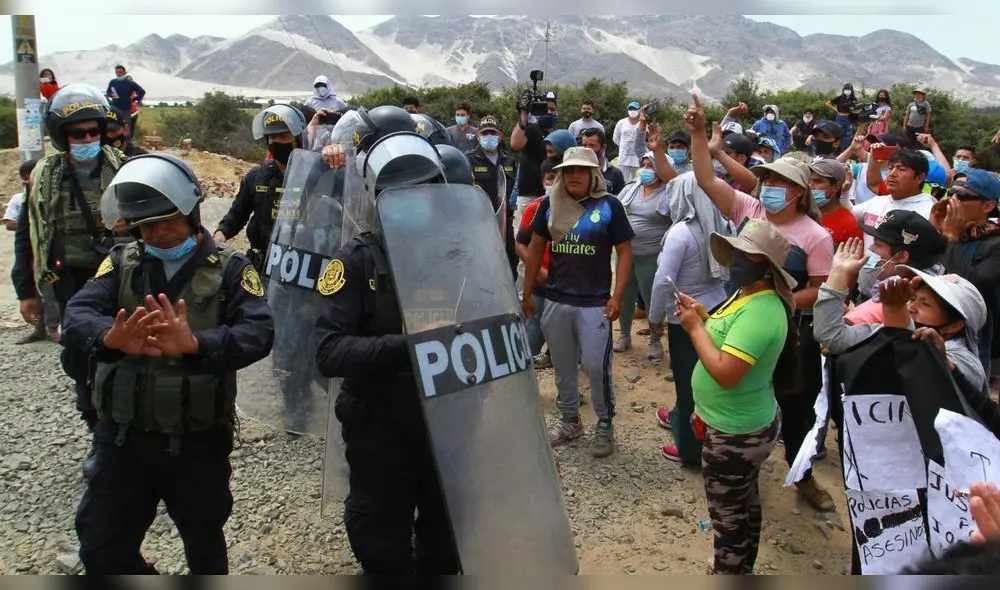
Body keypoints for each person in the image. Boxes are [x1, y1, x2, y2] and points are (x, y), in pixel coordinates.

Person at [62, 153, 274, 574]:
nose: (158, 233)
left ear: (192, 214)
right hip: (123, 440)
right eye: (146, 225)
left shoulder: (230, 268)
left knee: (204, 545)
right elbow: (77, 313)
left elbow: (259, 332)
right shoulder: (123, 262)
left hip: (196, 442)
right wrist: (109, 337)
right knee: (101, 548)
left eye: (168, 221)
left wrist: (197, 344)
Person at [314, 107, 463, 575]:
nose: (412, 202)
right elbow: (329, 351)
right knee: (379, 541)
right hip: (380, 423)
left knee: (449, 542)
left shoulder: (460, 255)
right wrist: (406, 346)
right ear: (377, 199)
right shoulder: (353, 261)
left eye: (423, 192)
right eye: (399, 195)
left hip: (450, 422)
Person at [686, 93, 836, 511]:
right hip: (743, 315)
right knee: (746, 391)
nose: (770, 188)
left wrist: (776, 297)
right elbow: (705, 178)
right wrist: (700, 134)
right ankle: (742, 459)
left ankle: (802, 474)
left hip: (793, 330)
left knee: (796, 402)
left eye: (782, 183)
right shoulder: (750, 207)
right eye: (767, 180)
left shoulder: (815, 236)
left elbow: (822, 289)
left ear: (800, 192)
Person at [15, 84, 131, 480]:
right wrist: (27, 292)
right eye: (77, 134)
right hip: (70, 282)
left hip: (120, 276)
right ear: (61, 136)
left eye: (92, 132)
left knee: (127, 357)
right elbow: (27, 238)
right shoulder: (44, 177)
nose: (86, 140)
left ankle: (129, 438)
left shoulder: (126, 169)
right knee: (81, 361)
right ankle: (99, 436)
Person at [680, 219, 797, 575]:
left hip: (735, 433)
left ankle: (730, 571)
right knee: (743, 501)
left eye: (745, 255)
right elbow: (726, 335)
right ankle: (742, 564)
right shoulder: (745, 293)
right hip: (736, 423)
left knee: (727, 516)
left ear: (765, 266)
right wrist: (704, 316)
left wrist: (695, 328)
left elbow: (726, 373)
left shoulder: (762, 310)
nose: (734, 260)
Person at [523, 147, 634, 458]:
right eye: (569, 170)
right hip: (556, 299)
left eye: (581, 170)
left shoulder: (610, 206)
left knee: (596, 367)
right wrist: (527, 293)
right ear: (560, 173)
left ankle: (604, 423)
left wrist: (617, 296)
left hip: (594, 303)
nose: (574, 175)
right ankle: (570, 419)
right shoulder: (550, 204)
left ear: (593, 174)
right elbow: (534, 249)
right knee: (562, 366)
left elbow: (625, 252)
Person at [814, 239, 989, 408]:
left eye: (925, 304)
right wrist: (838, 274)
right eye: (911, 298)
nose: (911, 307)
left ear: (954, 326)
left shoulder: (964, 363)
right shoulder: (887, 331)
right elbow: (832, 336)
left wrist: (896, 322)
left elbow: (920, 384)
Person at [648, 171, 729, 464]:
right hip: (717, 308)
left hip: (685, 315)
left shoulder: (681, 233)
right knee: (707, 377)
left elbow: (662, 280)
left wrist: (655, 316)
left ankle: (690, 448)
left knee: (687, 379)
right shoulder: (721, 223)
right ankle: (682, 417)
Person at [213, 103, 306, 272]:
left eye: (284, 137)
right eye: (272, 137)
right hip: (263, 264)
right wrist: (219, 236)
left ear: (298, 138)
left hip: (303, 265)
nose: (277, 142)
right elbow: (237, 214)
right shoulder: (256, 177)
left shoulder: (313, 175)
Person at [931, 169, 1000, 372]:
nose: (952, 200)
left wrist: (950, 235)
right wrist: (935, 230)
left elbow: (973, 284)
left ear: (988, 206)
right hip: (932, 329)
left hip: (973, 342)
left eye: (962, 196)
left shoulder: (995, 244)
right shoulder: (949, 234)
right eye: (951, 193)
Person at [613, 151, 670, 359]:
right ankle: (624, 336)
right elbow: (616, 209)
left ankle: (655, 342)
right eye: (644, 165)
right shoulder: (631, 189)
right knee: (624, 295)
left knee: (652, 298)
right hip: (626, 252)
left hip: (651, 255)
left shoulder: (669, 193)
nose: (646, 169)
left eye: (651, 165)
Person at [846, 210, 947, 325]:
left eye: (877, 244)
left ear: (901, 256)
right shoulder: (927, 297)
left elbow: (833, 335)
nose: (871, 248)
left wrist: (838, 279)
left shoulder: (891, 301)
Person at [516, 157, 558, 367]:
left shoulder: (583, 209)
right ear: (543, 181)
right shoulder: (535, 208)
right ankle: (522, 379)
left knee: (563, 338)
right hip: (540, 283)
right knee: (531, 330)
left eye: (560, 178)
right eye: (551, 179)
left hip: (567, 286)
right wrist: (539, 270)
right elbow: (520, 244)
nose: (555, 183)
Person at [467, 115, 517, 276]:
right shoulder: (469, 160)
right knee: (483, 263)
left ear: (500, 136)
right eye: (485, 133)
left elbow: (516, 189)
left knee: (509, 261)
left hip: (507, 221)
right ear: (478, 136)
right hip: (480, 221)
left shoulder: (510, 160)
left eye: (493, 133)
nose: (489, 137)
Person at [857, 147, 936, 244]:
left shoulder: (929, 213)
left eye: (901, 169)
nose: (892, 174)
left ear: (920, 177)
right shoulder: (876, 202)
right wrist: (844, 193)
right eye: (890, 168)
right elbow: (846, 217)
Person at [810, 158, 862, 246]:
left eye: (818, 181)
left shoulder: (849, 226)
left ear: (836, 186)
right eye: (809, 181)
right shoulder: (801, 212)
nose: (810, 186)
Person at [579, 127, 627, 195]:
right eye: (584, 145)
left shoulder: (616, 174)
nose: (587, 149)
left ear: (603, 148)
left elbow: (619, 202)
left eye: (592, 145)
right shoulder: (576, 171)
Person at [613, 102, 643, 180]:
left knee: (637, 181)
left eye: (635, 109)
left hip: (638, 160)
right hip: (623, 159)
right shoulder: (621, 122)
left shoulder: (642, 123)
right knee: (623, 182)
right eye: (630, 109)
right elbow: (615, 138)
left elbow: (645, 139)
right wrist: (624, 146)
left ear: (639, 110)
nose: (632, 111)